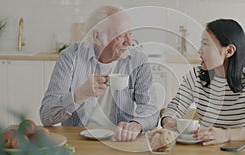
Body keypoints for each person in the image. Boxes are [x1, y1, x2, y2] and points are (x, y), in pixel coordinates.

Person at [40, 5, 159, 142]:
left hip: (120, 141)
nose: (129, 42)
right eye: (121, 35)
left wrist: (136, 125)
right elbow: (46, 116)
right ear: (97, 37)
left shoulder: (138, 60)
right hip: (78, 142)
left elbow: (151, 109)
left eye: (130, 34)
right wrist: (79, 95)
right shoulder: (70, 58)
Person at [161, 19, 245, 145]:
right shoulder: (195, 76)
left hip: (243, 150)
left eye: (206, 44)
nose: (199, 51)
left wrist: (227, 134)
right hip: (206, 150)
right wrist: (169, 122)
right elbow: (173, 109)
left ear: (229, 51)